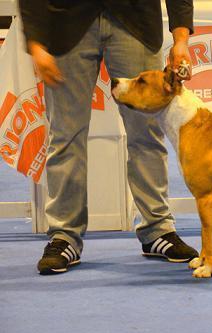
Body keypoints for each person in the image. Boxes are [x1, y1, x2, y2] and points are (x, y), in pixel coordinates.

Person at [19, 0, 199, 275]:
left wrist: (181, 38)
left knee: (146, 133)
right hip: (65, 24)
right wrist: (36, 42)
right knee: (65, 135)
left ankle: (157, 229)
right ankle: (64, 236)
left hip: (136, 20)